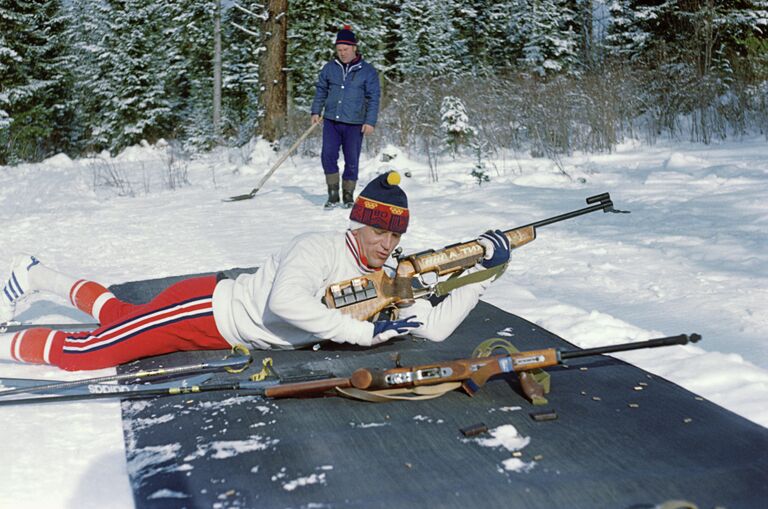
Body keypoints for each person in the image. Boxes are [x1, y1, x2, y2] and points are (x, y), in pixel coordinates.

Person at [0, 171, 510, 371]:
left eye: (396, 237)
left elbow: (435, 325)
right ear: (357, 223)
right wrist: (362, 333)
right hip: (202, 309)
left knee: (117, 313)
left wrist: (487, 269)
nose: (387, 245)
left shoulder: (389, 278)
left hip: (217, 326)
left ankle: (36, 273)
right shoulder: (317, 247)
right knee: (91, 351)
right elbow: (287, 303)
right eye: (379, 232)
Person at [311, 25, 381, 209]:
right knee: (328, 155)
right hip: (332, 121)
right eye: (339, 49)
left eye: (346, 49)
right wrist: (315, 111)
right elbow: (321, 90)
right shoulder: (329, 68)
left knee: (352, 160)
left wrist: (370, 121)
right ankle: (333, 194)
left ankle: (348, 195)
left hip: (355, 123)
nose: (342, 53)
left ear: (354, 48)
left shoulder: (367, 71)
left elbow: (373, 97)